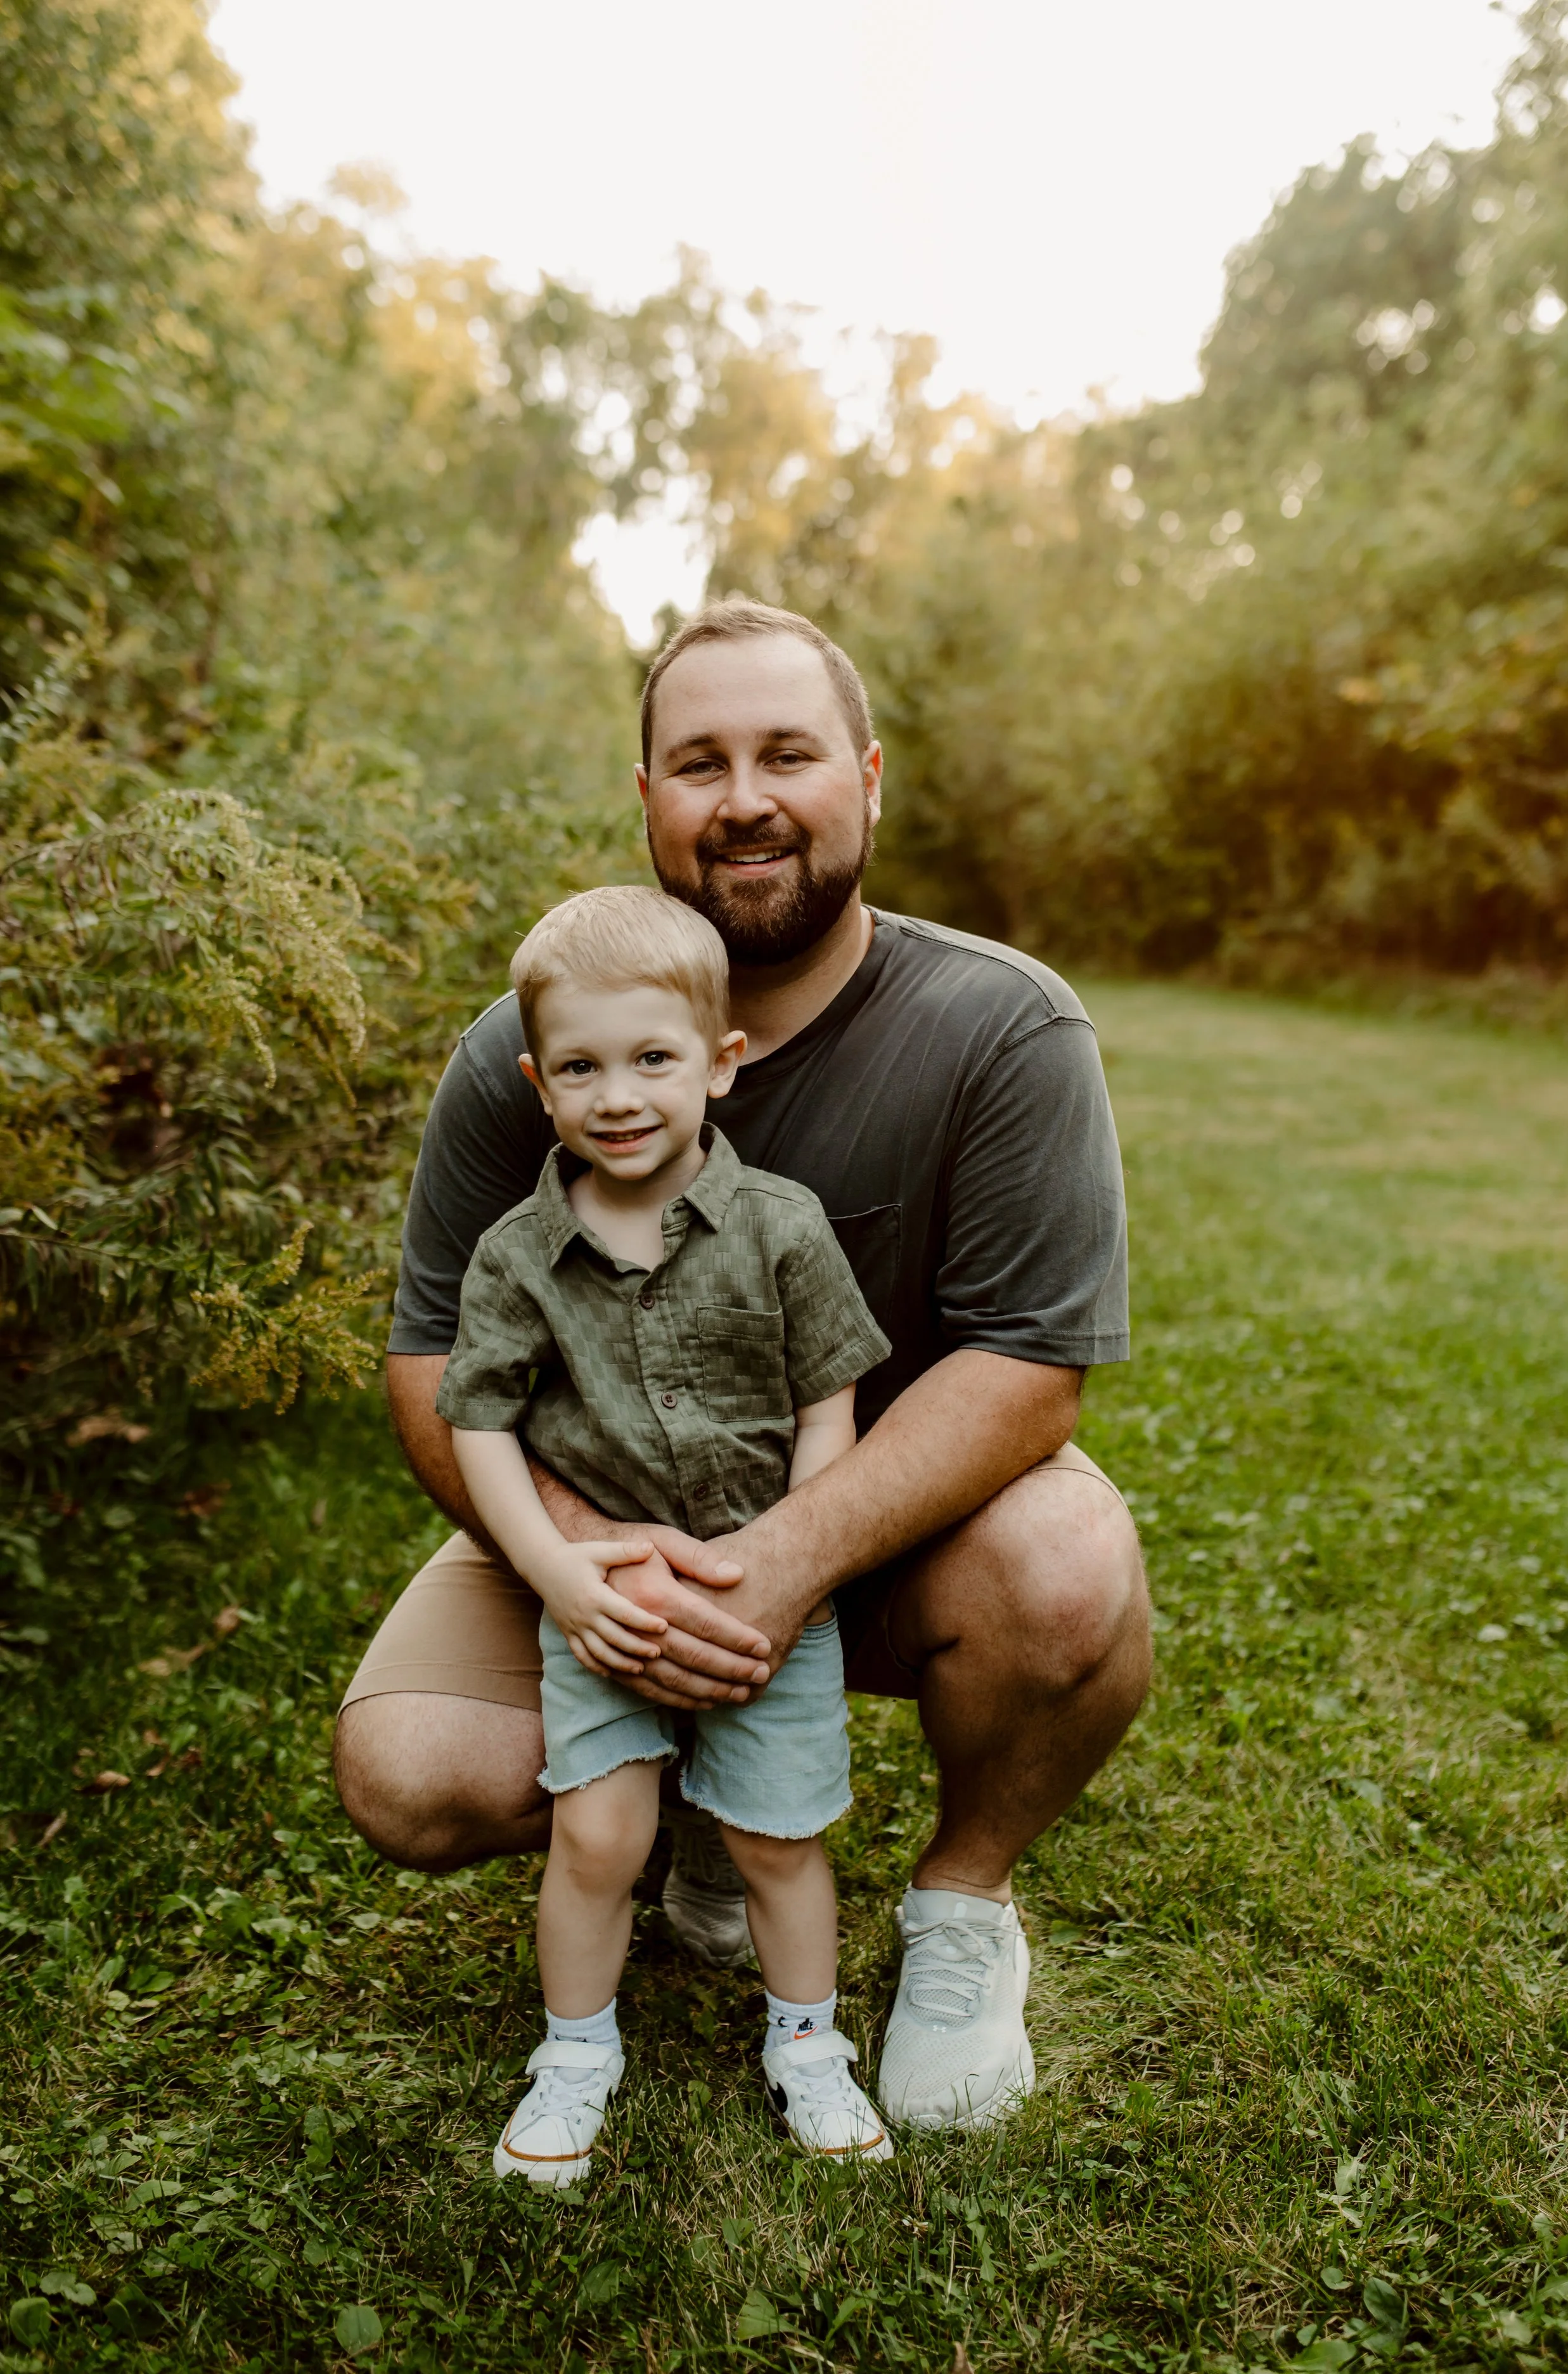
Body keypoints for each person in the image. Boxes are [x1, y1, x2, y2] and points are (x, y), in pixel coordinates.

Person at [336, 597, 1152, 2136]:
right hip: (606, 1535)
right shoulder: (526, 1054)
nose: (745, 799)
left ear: (866, 775)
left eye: (786, 753)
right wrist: (592, 1572)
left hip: (885, 1528)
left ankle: (960, 1912)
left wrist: (776, 1568)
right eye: (697, 763)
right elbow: (431, 1359)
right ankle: (695, 1814)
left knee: (1061, 1564)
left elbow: (1029, 1370)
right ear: (646, 799)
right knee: (410, 1769)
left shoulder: (999, 1027)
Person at [440, 885, 894, 2179]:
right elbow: (480, 1423)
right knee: (597, 1835)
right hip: (603, 1597)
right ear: (538, 1083)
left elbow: (827, 1407)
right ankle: (575, 2050)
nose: (619, 1095)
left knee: (775, 1838)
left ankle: (807, 2045)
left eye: (652, 1059)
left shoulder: (780, 1229)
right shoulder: (518, 1257)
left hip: (767, 1591)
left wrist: (788, 1568)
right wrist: (559, 1579)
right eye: (580, 1066)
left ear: (719, 1064)